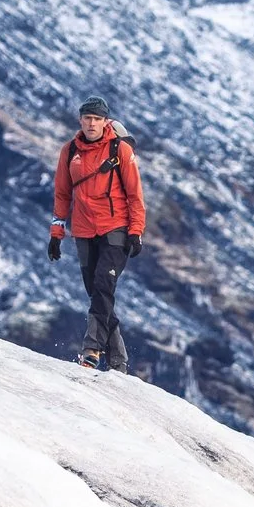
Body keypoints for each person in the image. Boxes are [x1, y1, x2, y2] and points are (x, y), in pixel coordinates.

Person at [47, 97, 146, 371]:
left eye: (97, 119)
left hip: (116, 228)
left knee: (104, 286)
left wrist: (136, 231)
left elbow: (135, 194)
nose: (91, 123)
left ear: (105, 122)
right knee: (97, 294)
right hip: (83, 231)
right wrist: (57, 234)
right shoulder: (69, 152)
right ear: (80, 120)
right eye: (87, 118)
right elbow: (62, 194)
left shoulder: (120, 150)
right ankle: (118, 361)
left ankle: (91, 350)